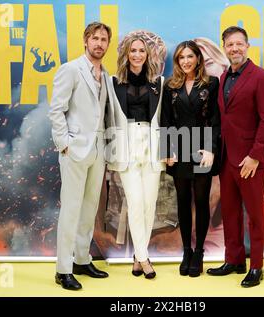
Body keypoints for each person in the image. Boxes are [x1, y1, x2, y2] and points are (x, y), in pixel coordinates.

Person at [206, 26, 264, 288]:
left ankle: (256, 266)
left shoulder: (262, 77)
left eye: (239, 44)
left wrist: (255, 156)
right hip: (227, 159)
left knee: (255, 215)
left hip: (250, 161)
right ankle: (234, 260)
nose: (234, 49)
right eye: (229, 45)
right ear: (224, 47)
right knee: (230, 212)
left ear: (247, 46)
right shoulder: (223, 77)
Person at [48, 22, 114, 290]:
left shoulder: (106, 75)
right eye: (95, 38)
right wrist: (64, 144)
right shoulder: (71, 69)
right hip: (75, 150)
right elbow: (56, 110)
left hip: (97, 151)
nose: (99, 43)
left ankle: (82, 260)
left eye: (103, 39)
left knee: (89, 210)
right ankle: (63, 269)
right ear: (85, 40)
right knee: (71, 210)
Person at [107, 33, 165, 279]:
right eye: (133, 51)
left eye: (142, 50)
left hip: (152, 147)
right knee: (135, 203)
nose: (137, 55)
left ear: (148, 54)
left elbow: (165, 120)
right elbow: (107, 117)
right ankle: (144, 257)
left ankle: (138, 256)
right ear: (126, 54)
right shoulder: (113, 82)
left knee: (150, 204)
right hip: (126, 146)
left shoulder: (159, 82)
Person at [161, 40, 220, 277]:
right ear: (177, 61)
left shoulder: (211, 83)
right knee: (183, 201)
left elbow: (215, 119)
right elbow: (166, 120)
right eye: (181, 58)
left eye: (189, 57)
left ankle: (199, 251)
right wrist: (166, 150)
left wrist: (211, 148)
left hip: (202, 149)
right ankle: (186, 250)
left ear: (197, 59)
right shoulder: (170, 86)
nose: (185, 61)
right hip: (179, 149)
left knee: (201, 200)